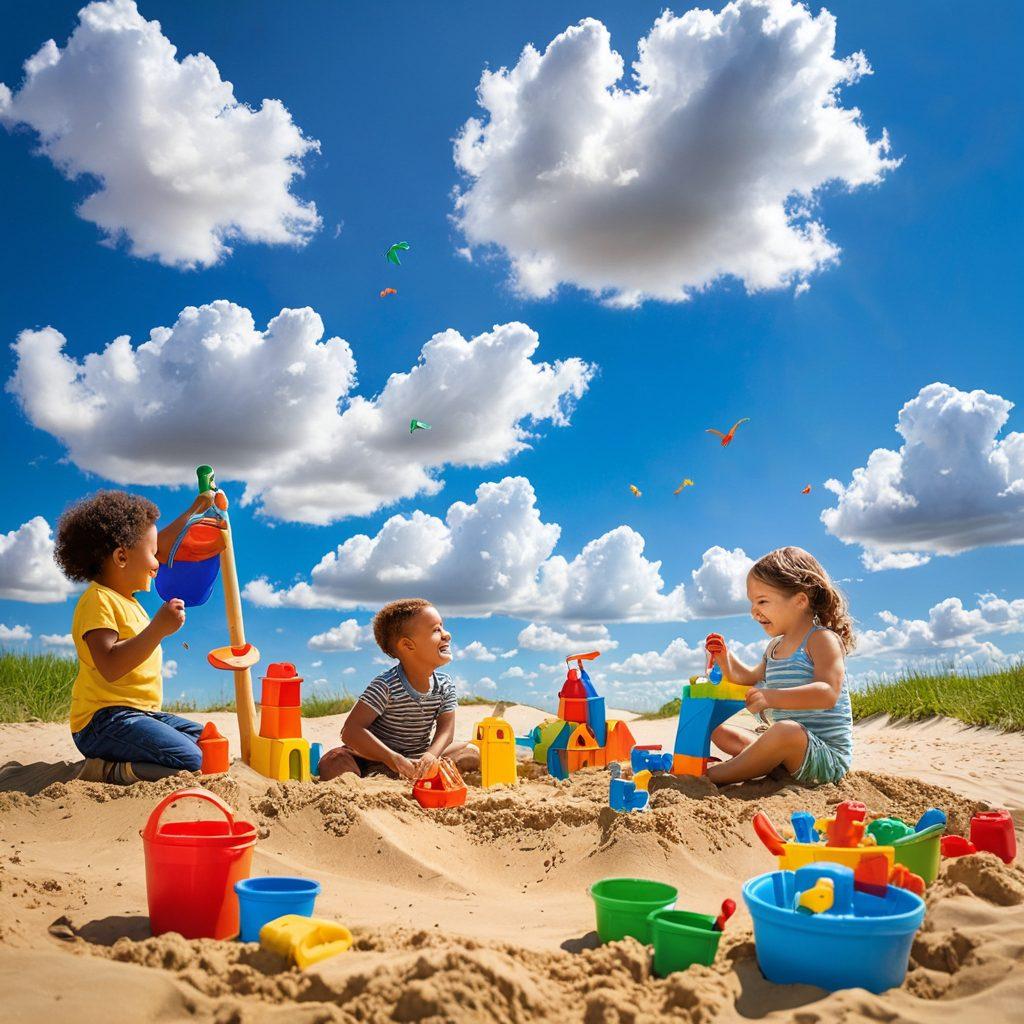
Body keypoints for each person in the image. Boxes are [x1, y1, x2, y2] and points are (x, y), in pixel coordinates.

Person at [55, 489, 214, 784]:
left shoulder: (129, 600)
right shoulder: (99, 600)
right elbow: (110, 665)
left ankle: (130, 760)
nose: (159, 562)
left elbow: (163, 544)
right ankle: (108, 770)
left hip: (142, 714)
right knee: (193, 759)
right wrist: (158, 630)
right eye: (152, 555)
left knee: (208, 742)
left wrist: (197, 510)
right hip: (102, 722)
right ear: (121, 557)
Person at [705, 546, 855, 786]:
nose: (754, 611)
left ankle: (715, 775)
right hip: (788, 750)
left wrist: (771, 697)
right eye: (752, 603)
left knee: (785, 732)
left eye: (762, 601)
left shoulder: (821, 640)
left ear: (800, 600)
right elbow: (746, 678)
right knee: (717, 729)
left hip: (824, 757)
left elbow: (827, 693)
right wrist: (725, 658)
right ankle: (759, 763)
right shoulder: (774, 647)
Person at [318, 599, 479, 781]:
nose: (446, 634)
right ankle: (360, 781)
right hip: (373, 758)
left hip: (418, 758)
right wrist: (391, 758)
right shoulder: (386, 685)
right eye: (436, 630)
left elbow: (446, 731)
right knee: (334, 761)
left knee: (470, 752)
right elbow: (350, 731)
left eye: (442, 627)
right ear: (408, 645)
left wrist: (431, 756)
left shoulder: (445, 685)